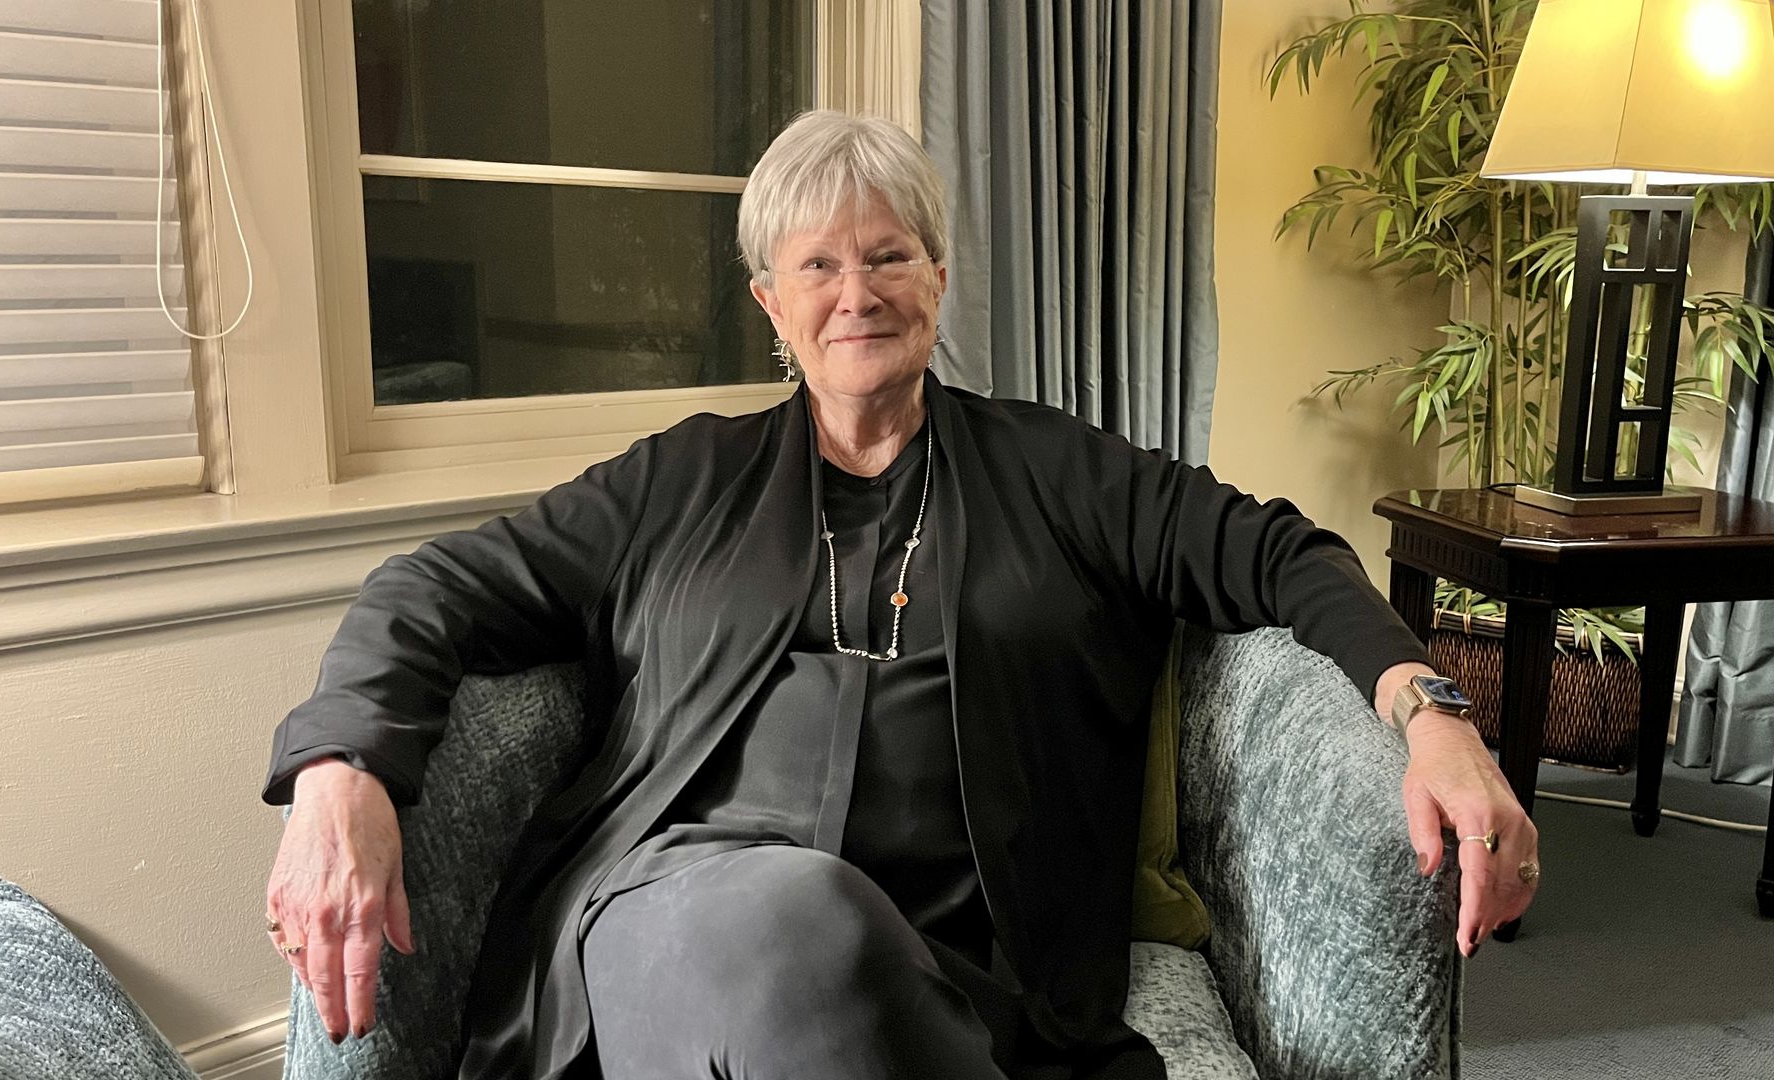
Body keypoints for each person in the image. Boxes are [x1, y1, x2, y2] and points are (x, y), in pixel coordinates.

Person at [262, 110, 1538, 1080]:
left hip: (968, 971)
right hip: (673, 916)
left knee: (829, 960)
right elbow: (434, 587)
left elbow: (1280, 552)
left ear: (937, 278)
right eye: (815, 266)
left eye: (887, 256)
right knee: (796, 921)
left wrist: (1433, 711)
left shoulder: (1059, 474)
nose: (855, 293)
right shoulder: (680, 480)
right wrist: (341, 771)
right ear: (771, 304)